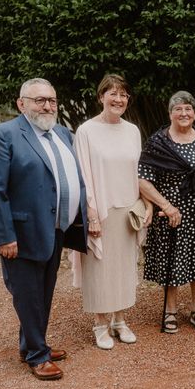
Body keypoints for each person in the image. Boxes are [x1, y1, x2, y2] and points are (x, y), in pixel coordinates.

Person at [0, 78, 87, 380]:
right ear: (21, 103)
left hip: (56, 229)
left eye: (52, 100)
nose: (47, 106)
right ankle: (38, 356)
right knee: (27, 294)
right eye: (39, 100)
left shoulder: (63, 133)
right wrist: (4, 235)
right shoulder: (3, 135)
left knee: (44, 291)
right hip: (21, 233)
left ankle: (31, 345)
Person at [74, 74, 148, 349]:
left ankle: (119, 320)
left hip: (128, 210)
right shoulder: (86, 131)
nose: (119, 99)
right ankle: (100, 324)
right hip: (101, 209)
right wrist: (91, 212)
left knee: (123, 267)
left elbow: (139, 171)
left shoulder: (132, 130)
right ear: (101, 96)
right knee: (100, 268)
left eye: (124, 95)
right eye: (113, 94)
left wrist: (145, 205)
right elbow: (83, 174)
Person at [139, 91, 195, 333]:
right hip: (171, 212)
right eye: (178, 109)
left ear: (194, 113)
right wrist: (166, 206)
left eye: (188, 109)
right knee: (172, 260)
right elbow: (143, 180)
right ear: (170, 113)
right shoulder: (158, 142)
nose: (184, 113)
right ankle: (170, 311)